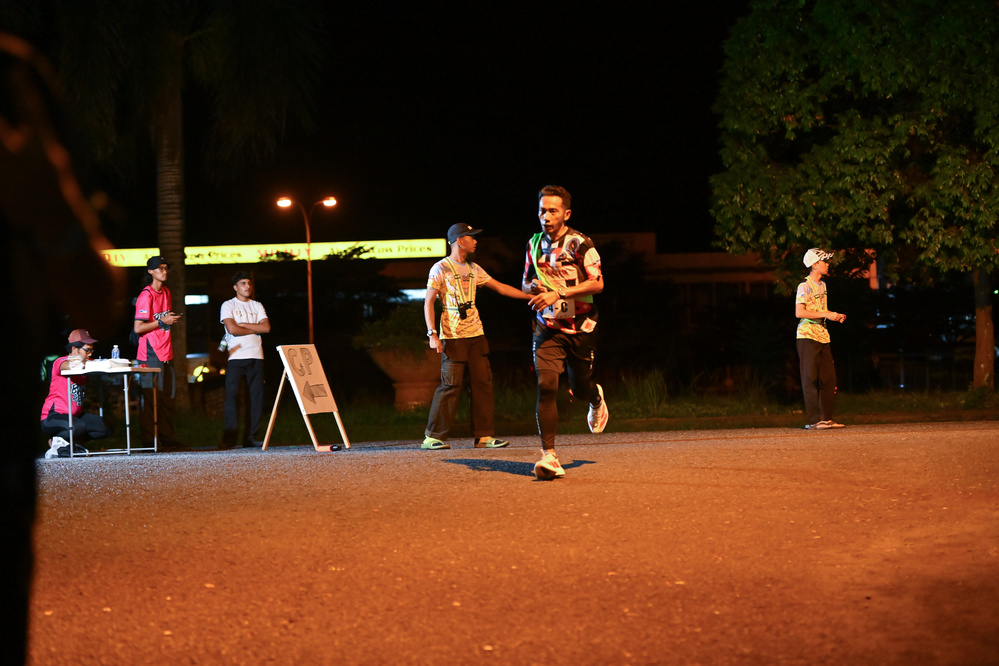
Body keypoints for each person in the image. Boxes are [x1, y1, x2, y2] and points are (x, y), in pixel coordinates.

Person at [523, 185, 608, 480]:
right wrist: (533, 287)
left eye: (552, 211)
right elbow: (525, 282)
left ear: (566, 214)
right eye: (541, 211)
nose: (545, 217)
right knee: (546, 386)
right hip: (547, 327)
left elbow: (598, 283)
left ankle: (595, 397)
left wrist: (558, 292)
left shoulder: (580, 243)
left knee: (580, 387)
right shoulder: (533, 244)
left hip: (581, 326)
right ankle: (549, 456)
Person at [422, 223, 532, 450]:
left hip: (476, 335)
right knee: (450, 386)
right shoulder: (440, 268)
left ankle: (483, 436)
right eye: (471, 237)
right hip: (452, 336)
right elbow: (429, 302)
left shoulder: (474, 268)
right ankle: (433, 437)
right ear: (459, 241)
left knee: (483, 384)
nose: (475, 241)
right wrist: (432, 333)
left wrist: (532, 297)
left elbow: (501, 288)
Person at [133, 256, 183, 449]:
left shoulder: (166, 292)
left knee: (167, 399)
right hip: (149, 353)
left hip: (166, 351)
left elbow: (163, 319)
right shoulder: (146, 295)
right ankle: (148, 442)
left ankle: (168, 440)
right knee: (151, 399)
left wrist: (168, 319)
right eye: (159, 268)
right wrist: (163, 321)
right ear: (150, 271)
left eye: (165, 268)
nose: (164, 271)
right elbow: (138, 327)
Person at [795, 248, 847, 430]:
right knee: (809, 378)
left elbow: (820, 310)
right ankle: (814, 420)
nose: (827, 264)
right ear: (815, 264)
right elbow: (799, 312)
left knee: (829, 378)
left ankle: (826, 418)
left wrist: (834, 315)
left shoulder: (823, 285)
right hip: (807, 336)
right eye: (824, 261)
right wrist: (826, 314)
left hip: (823, 336)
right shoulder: (804, 286)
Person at [39, 329, 112, 454]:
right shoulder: (60, 361)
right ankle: (55, 442)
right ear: (74, 349)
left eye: (92, 350)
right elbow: (67, 366)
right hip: (52, 416)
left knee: (104, 427)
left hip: (74, 417)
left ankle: (69, 444)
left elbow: (103, 364)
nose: (90, 354)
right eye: (87, 350)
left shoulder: (86, 363)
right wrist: (82, 362)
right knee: (77, 427)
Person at [220, 271, 270, 448]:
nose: (247, 286)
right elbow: (232, 329)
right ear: (235, 287)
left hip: (256, 356)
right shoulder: (228, 305)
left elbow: (266, 328)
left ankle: (251, 438)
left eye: (249, 283)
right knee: (232, 396)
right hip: (236, 357)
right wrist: (255, 328)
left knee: (256, 398)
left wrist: (243, 325)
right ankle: (229, 439)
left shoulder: (257, 305)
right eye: (243, 283)